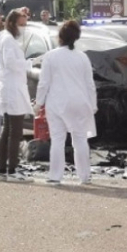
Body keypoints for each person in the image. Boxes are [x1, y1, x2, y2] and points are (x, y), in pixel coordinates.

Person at [34, 20, 97, 185]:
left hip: (57, 103)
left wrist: (38, 103)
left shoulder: (51, 56)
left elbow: (44, 83)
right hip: (80, 102)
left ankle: (55, 175)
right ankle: (85, 176)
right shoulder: (83, 57)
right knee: (80, 139)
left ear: (60, 36)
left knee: (57, 140)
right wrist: (93, 103)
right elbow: (90, 84)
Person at [0, 9, 33, 182]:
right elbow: (11, 63)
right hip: (12, 89)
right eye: (22, 24)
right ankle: (12, 170)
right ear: (13, 23)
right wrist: (26, 64)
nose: (23, 28)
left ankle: (2, 169)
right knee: (15, 131)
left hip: (9, 87)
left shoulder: (5, 37)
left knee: (7, 130)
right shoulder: (8, 40)